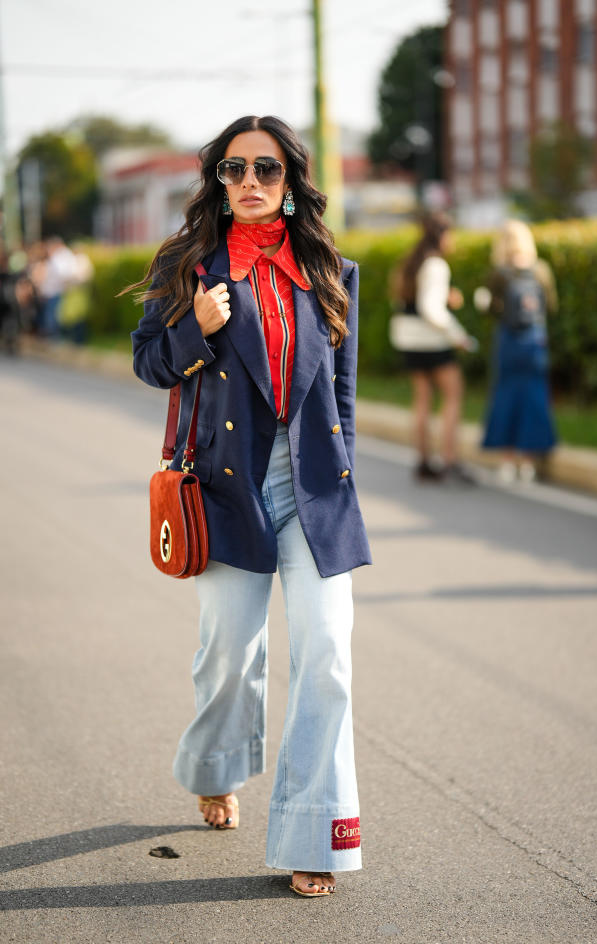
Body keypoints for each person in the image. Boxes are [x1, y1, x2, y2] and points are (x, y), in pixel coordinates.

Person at [129, 115, 371, 898]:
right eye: (234, 170)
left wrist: (344, 472)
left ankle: (315, 835)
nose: (250, 184)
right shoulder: (186, 264)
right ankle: (216, 766)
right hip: (228, 485)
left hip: (312, 489)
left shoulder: (329, 265)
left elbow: (342, 389)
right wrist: (194, 332)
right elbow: (147, 362)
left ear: (293, 183)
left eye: (266, 170)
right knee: (229, 656)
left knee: (328, 654)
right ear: (218, 180)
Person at [390, 213, 477, 482]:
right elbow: (431, 309)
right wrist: (460, 337)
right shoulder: (436, 264)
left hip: (409, 340)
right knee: (452, 396)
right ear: (442, 235)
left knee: (422, 400)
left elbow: (411, 300)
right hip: (432, 341)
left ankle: (424, 461)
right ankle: (450, 460)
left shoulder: (410, 262)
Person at [476, 220, 558, 482]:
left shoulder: (499, 273)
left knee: (506, 396)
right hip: (535, 340)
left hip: (509, 341)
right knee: (534, 397)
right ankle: (529, 462)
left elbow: (490, 308)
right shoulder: (541, 270)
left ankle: (508, 461)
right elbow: (551, 306)